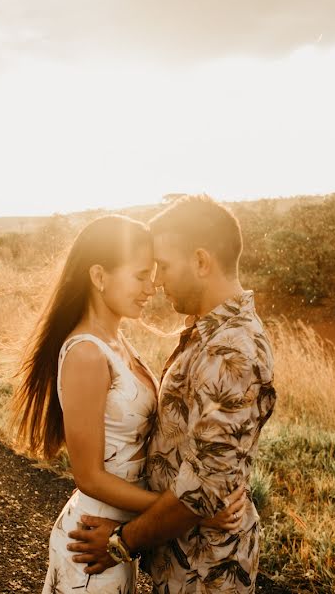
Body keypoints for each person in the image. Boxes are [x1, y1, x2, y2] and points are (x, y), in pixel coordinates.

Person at [11, 214, 247, 594]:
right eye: (140, 275)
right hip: (92, 540)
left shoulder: (116, 340)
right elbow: (88, 475)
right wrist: (186, 511)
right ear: (100, 276)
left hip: (117, 536)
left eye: (154, 273)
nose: (151, 287)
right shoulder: (86, 353)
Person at [66, 195, 276, 593]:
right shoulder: (205, 333)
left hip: (206, 570)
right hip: (179, 557)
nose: (157, 281)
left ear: (201, 261)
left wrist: (120, 543)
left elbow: (203, 496)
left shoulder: (233, 351)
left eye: (163, 265)